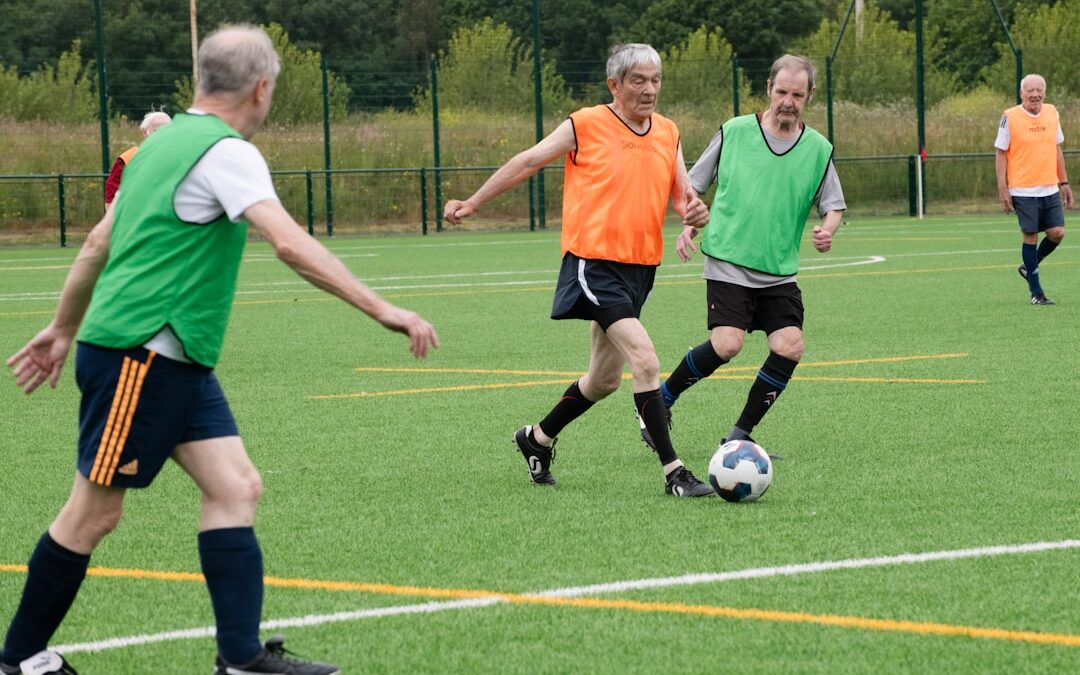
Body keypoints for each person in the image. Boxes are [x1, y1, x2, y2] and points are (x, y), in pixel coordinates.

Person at [2, 25, 438, 675]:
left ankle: (240, 658)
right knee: (92, 514)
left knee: (235, 486)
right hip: (140, 353)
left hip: (171, 356)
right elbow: (288, 242)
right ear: (261, 89)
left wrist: (64, 328)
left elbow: (96, 243)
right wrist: (385, 308)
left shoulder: (157, 145)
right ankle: (17, 659)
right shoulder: (226, 151)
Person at [444, 44, 713, 497]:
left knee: (604, 380)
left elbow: (682, 194)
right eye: (638, 81)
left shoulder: (668, 132)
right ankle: (674, 473)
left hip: (641, 268)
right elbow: (528, 160)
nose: (649, 90)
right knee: (645, 359)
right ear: (614, 84)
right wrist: (473, 202)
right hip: (594, 263)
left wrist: (694, 213)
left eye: (656, 80)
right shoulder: (585, 124)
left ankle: (536, 438)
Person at [643, 54, 845, 451]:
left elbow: (833, 204)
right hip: (728, 260)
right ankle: (661, 399)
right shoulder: (734, 131)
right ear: (769, 88)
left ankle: (739, 437)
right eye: (782, 91)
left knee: (790, 346)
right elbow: (692, 185)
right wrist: (690, 221)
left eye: (797, 95)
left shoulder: (818, 149)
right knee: (727, 344)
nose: (788, 101)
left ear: (810, 96)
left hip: (779, 270)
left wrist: (827, 230)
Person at [995, 73, 1072, 305]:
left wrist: (1065, 183)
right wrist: (1003, 188)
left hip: (1049, 187)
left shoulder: (1052, 112)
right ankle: (1036, 293)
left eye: (1039, 90)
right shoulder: (1010, 117)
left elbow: (1057, 149)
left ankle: (1029, 266)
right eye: (1030, 90)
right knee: (1030, 236)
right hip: (1023, 189)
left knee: (1057, 232)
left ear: (1045, 93)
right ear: (1021, 94)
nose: (1035, 94)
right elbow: (1000, 152)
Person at [103, 110, 172, 205]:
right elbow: (111, 198)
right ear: (144, 132)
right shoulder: (127, 159)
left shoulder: (178, 157)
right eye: (156, 131)